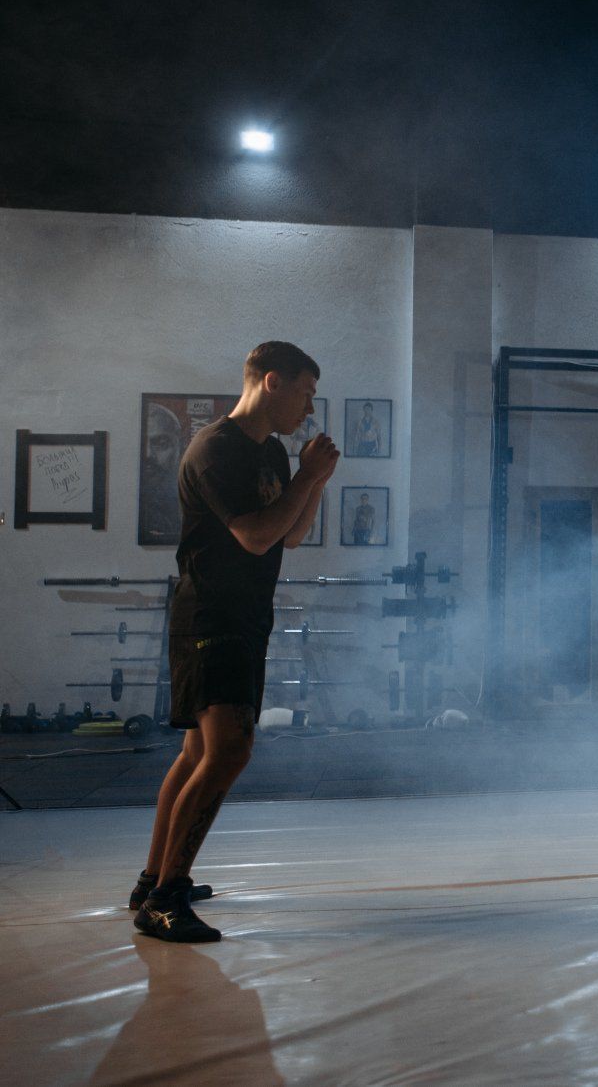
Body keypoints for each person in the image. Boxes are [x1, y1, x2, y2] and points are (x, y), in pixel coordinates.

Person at [132, 342, 337, 942]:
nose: (309, 408)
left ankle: (154, 881)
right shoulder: (216, 448)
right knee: (229, 753)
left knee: (199, 756)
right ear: (272, 382)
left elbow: (288, 536)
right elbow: (251, 536)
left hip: (243, 619)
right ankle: (166, 898)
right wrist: (306, 476)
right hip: (213, 618)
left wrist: (315, 481)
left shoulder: (269, 452)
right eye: (305, 392)